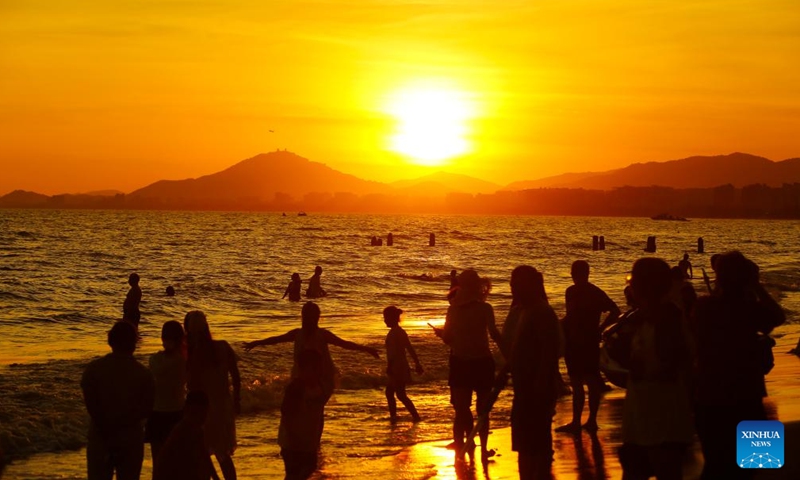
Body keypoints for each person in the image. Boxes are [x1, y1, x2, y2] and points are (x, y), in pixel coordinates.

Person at [691, 251, 785, 480]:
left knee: (714, 463)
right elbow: (777, 316)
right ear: (747, 279)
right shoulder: (750, 309)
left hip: (710, 397)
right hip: (748, 395)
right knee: (759, 462)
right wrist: (757, 287)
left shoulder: (704, 307)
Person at [243, 302, 379, 440]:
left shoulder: (323, 335)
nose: (309, 319)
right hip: (300, 377)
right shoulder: (297, 334)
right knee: (301, 409)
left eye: (312, 316)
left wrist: (367, 349)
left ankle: (314, 441)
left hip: (322, 380)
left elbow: (344, 344)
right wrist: (257, 343)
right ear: (303, 316)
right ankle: (302, 437)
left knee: (316, 411)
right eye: (307, 316)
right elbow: (277, 339)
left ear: (317, 318)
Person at [617, 258, 694, 480]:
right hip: (644, 418)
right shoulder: (645, 318)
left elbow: (669, 364)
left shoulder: (666, 318)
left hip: (661, 419)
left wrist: (636, 366)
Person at [433, 269, 503, 463]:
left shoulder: (453, 309)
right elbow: (494, 335)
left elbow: (448, 339)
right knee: (483, 409)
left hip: (460, 362)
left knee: (462, 409)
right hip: (482, 361)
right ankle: (483, 448)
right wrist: (509, 353)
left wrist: (441, 335)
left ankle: (462, 447)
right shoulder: (485, 308)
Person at [81, 321, 155, 480]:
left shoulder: (93, 369)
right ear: (134, 344)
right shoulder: (143, 374)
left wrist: (106, 427)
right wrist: (123, 425)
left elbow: (91, 405)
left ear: (110, 341)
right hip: (130, 438)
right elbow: (147, 408)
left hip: (100, 436)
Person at [506, 266, 561, 480]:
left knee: (535, 445)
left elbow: (549, 351)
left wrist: (539, 384)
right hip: (524, 389)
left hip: (536, 391)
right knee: (525, 445)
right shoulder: (525, 311)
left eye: (516, 284)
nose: (512, 288)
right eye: (511, 284)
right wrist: (507, 369)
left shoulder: (541, 312)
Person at [557, 260, 620, 434]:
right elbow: (570, 317)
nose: (573, 276)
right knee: (581, 382)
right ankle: (581, 421)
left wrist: (601, 329)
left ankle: (588, 420)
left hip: (586, 342)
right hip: (576, 342)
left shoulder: (591, 292)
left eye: (574, 273)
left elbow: (615, 311)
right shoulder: (575, 292)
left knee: (588, 382)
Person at [184, 311, 241, 480]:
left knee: (202, 456)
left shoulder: (192, 355)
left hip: (202, 410)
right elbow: (236, 376)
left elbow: (192, 386)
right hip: (223, 406)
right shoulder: (222, 347)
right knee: (223, 455)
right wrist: (236, 400)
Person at [278, 350, 327, 480]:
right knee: (294, 473)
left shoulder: (319, 386)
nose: (319, 371)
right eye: (315, 368)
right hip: (293, 442)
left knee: (310, 467)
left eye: (320, 367)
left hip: (309, 440)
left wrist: (316, 437)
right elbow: (286, 412)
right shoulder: (296, 387)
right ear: (302, 368)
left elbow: (319, 413)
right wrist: (293, 436)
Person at [153, 391, 220, 480]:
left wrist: (215, 477)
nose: (202, 417)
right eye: (197, 413)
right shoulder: (184, 431)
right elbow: (184, 466)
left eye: (204, 413)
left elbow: (205, 456)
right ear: (187, 410)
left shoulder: (195, 429)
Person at [147, 321, 187, 461]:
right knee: (177, 460)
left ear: (163, 338)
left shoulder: (154, 360)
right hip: (177, 412)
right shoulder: (183, 361)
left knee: (158, 461)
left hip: (157, 412)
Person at [383, 306, 423, 423]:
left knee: (400, 394)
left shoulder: (395, 333)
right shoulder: (400, 332)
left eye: (386, 318)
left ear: (392, 318)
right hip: (400, 366)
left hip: (397, 367)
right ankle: (395, 416)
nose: (384, 320)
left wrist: (389, 367)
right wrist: (417, 363)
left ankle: (414, 416)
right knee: (390, 392)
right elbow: (409, 348)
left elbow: (394, 353)